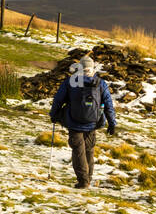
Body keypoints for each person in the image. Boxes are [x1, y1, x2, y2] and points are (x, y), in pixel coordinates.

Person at [49, 54, 117, 189]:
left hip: (74, 122)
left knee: (78, 151)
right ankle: (88, 179)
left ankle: (83, 181)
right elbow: (108, 104)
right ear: (92, 68)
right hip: (93, 122)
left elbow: (58, 100)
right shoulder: (100, 83)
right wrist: (112, 123)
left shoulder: (71, 81)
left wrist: (54, 114)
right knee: (89, 151)